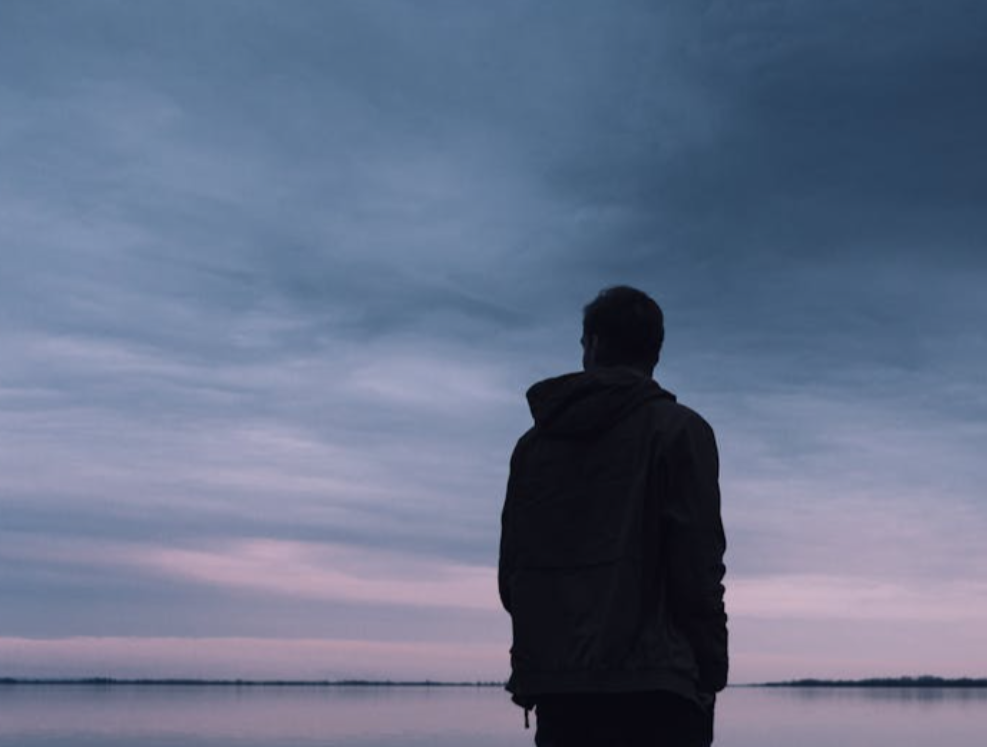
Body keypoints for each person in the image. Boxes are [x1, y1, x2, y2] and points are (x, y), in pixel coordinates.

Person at [499, 286, 728, 747]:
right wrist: (711, 669)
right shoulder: (682, 432)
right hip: (661, 690)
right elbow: (697, 569)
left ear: (595, 345)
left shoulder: (533, 447)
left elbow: (513, 575)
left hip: (563, 692)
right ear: (655, 351)